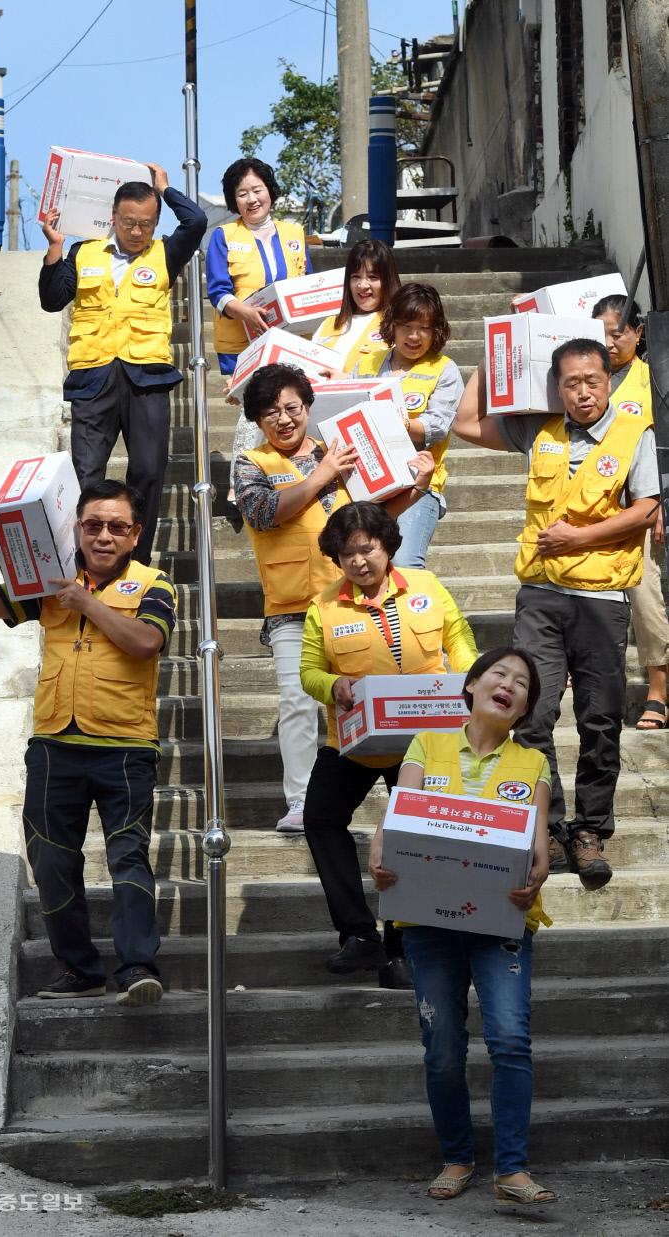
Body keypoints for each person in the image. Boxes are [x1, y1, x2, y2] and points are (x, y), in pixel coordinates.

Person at [454, 338, 660, 889]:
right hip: (541, 592)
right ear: (557, 387)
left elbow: (645, 509)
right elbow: (466, 422)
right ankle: (549, 824)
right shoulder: (538, 430)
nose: (584, 391)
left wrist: (578, 537)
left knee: (599, 718)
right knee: (534, 715)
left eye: (593, 379)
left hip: (601, 597)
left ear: (609, 379)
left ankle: (590, 830)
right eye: (571, 382)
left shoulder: (633, 432)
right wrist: (498, 350)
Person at [0, 479, 178, 1008]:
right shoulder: (50, 580)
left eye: (116, 527)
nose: (103, 536)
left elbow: (146, 643)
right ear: (76, 530)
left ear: (135, 535)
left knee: (127, 856)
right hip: (55, 742)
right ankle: (80, 968)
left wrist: (86, 602)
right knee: (52, 860)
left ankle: (136, 968)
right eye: (92, 525)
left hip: (125, 747)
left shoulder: (155, 584)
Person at [368, 647, 555, 1207]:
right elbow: (398, 817)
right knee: (443, 1045)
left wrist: (536, 876)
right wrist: (380, 855)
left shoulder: (535, 763)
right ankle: (457, 1156)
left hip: (502, 922)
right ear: (471, 686)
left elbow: (539, 847)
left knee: (509, 1039)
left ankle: (512, 1170)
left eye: (522, 684)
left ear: (523, 710)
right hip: (428, 921)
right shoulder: (429, 744)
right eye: (499, 674)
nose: (510, 684)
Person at [236, 364, 436, 837]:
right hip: (289, 605)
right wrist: (322, 475)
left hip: (352, 598)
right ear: (258, 421)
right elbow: (263, 513)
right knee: (299, 700)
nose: (284, 420)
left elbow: (371, 517)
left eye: (292, 408)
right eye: (271, 413)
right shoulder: (252, 462)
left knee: (379, 690)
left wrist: (418, 487)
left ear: (307, 407)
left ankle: (414, 798)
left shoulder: (339, 448)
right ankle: (301, 798)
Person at [300, 501, 478, 984]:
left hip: (425, 737)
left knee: (413, 838)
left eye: (367, 550)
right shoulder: (324, 605)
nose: (358, 562)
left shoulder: (425, 585)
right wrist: (330, 686)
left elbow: (457, 634)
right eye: (346, 555)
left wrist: (469, 673)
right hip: (355, 737)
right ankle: (358, 936)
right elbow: (309, 671)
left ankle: (402, 948)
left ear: (387, 546)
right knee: (319, 817)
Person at [39, 164, 206, 566]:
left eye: (146, 224)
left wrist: (165, 188)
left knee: (148, 470)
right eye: (129, 223)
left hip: (146, 378)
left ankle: (136, 562)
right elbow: (51, 300)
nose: (137, 232)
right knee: (87, 474)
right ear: (113, 217)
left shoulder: (165, 253)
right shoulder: (84, 252)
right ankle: (83, 560)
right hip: (93, 377)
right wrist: (55, 247)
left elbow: (197, 220)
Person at [206, 158, 313, 500]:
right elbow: (218, 293)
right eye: (242, 193)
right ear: (232, 199)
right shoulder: (223, 236)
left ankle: (291, 480)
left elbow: (309, 287)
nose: (252, 199)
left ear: (270, 191)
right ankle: (246, 486)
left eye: (257, 190)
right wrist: (245, 312)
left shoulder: (295, 234)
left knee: (289, 407)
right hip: (244, 343)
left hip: (293, 341)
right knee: (257, 410)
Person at [591, 293, 669, 730]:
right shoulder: (585, 375)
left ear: (639, 333)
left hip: (640, 504)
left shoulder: (654, 378)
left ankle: (658, 690)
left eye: (618, 332)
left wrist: (659, 504)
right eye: (600, 332)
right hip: (587, 501)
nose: (610, 342)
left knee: (644, 591)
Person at [354, 282, 464, 570]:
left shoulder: (444, 368)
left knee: (404, 563)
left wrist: (400, 423)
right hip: (367, 483)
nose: (414, 336)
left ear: (436, 331)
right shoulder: (368, 362)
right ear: (392, 325)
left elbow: (439, 424)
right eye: (406, 326)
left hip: (419, 484)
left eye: (425, 328)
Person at [311, 237, 400, 369]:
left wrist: (346, 379)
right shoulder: (329, 324)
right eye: (356, 277)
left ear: (388, 281)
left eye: (373, 277)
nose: (362, 285)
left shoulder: (398, 326)